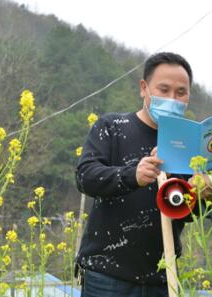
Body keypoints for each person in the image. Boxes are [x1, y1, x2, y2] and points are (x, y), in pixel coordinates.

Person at [75, 52, 193, 297]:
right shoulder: (112, 127)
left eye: (181, 93)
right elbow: (85, 176)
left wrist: (202, 190)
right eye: (164, 89)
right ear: (144, 88)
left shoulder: (189, 144)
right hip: (106, 275)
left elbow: (192, 211)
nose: (173, 99)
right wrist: (132, 175)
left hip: (161, 276)